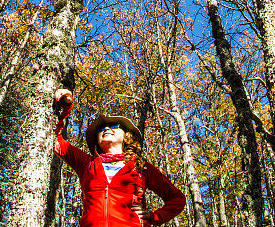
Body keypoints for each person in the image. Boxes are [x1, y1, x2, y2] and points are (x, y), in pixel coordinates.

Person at [53, 89, 186, 227]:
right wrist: (65, 107)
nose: (106, 129)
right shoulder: (87, 163)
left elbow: (178, 199)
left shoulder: (140, 166)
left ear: (126, 136)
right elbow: (55, 141)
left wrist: (155, 217)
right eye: (101, 128)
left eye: (114, 126)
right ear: (97, 139)